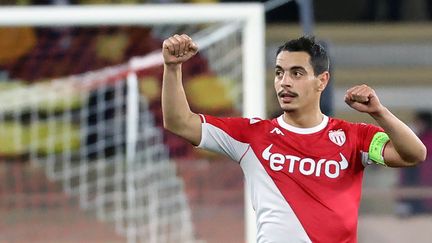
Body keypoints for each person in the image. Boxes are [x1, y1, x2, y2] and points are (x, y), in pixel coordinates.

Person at [161, 34, 426, 242]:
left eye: (296, 73)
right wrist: (172, 68)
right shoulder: (251, 135)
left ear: (321, 81)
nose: (284, 82)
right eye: (279, 72)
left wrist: (379, 113)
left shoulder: (354, 136)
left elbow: (414, 154)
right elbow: (179, 122)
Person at [398, 111, 432, 215]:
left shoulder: (426, 140)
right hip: (415, 189)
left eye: (417, 122)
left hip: (425, 188)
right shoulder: (417, 139)